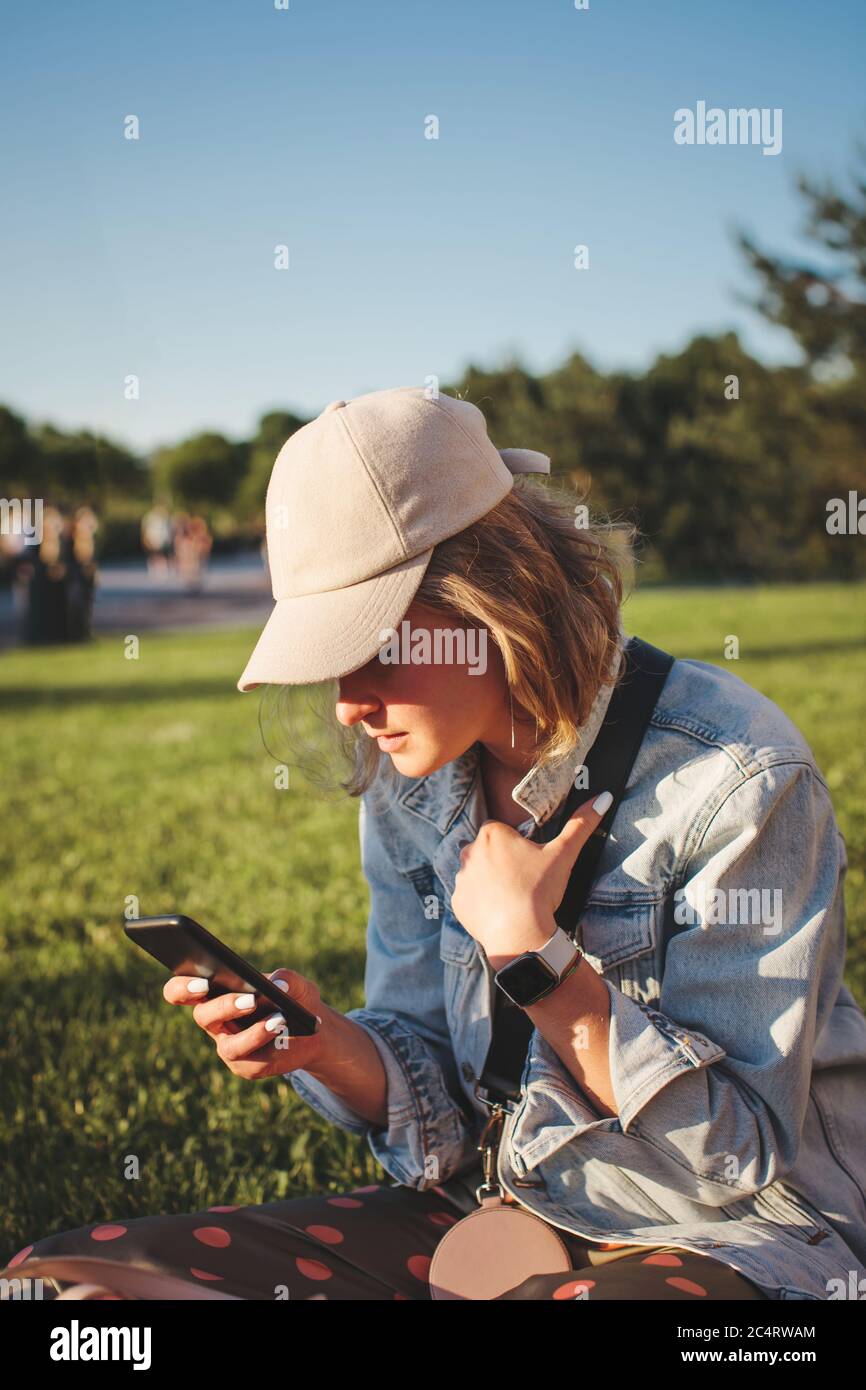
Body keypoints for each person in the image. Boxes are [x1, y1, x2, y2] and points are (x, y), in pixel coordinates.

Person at [4, 387, 866, 1301]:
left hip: (728, 1245)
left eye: (373, 647)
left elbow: (737, 1156)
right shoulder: (412, 781)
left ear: (495, 598)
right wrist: (321, 1044)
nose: (347, 704)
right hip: (489, 1216)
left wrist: (538, 963)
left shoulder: (736, 778)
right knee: (74, 1284)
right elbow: (445, 1120)